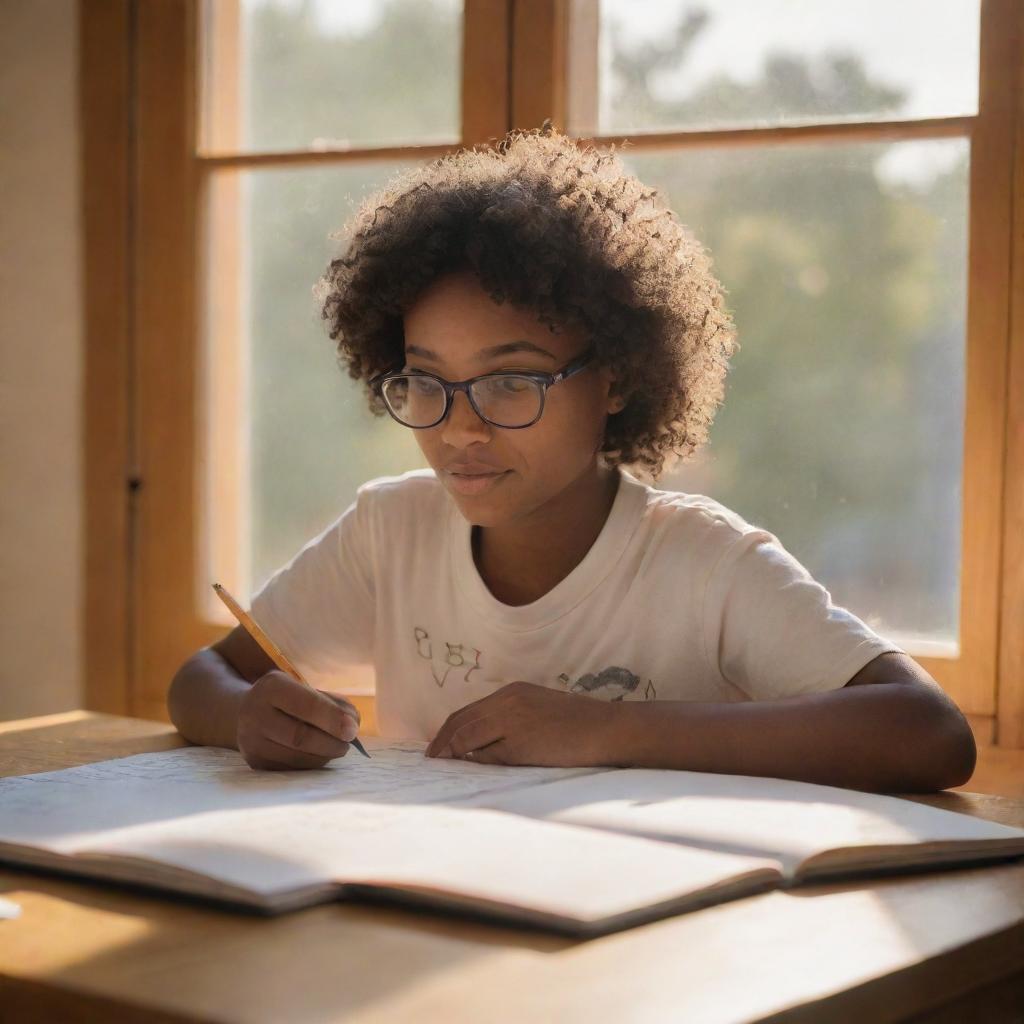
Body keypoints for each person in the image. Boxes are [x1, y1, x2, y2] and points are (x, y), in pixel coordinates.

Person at [168, 122, 976, 793]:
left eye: (510, 381)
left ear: (616, 377)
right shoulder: (393, 529)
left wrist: (609, 727)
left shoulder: (700, 561)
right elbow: (202, 678)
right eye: (427, 382)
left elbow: (931, 734)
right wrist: (244, 718)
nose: (461, 430)